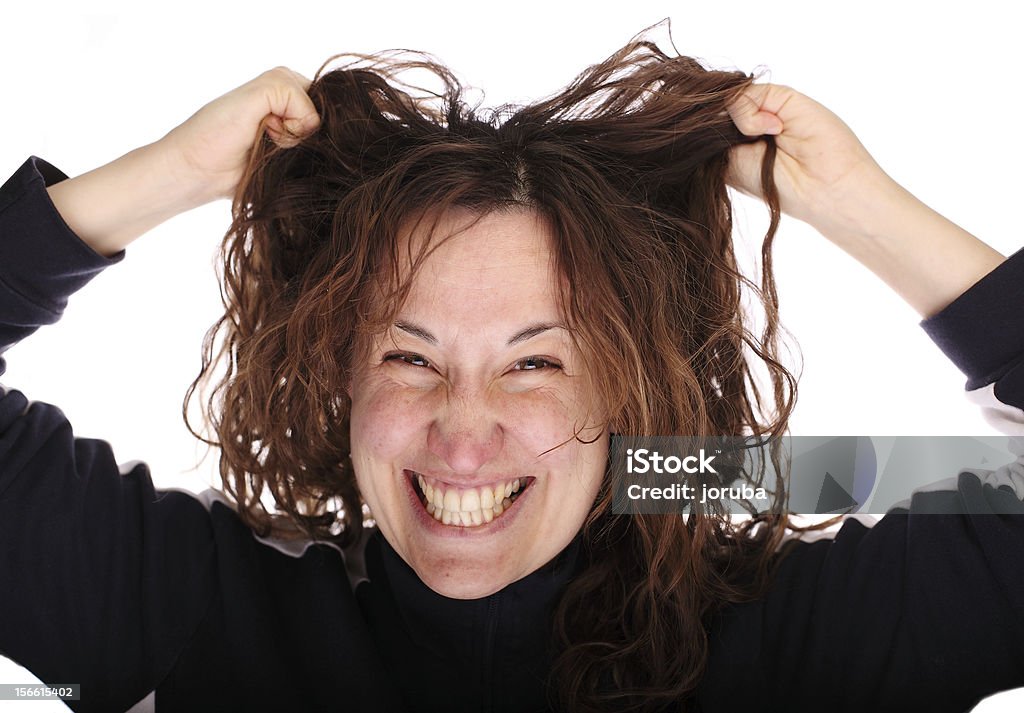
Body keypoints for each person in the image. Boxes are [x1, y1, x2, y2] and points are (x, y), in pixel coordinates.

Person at [1, 29, 1022, 713]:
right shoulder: (182, 604)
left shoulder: (800, 641)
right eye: (409, 354)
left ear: (629, 391)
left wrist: (859, 204)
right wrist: (165, 177)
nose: (461, 429)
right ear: (341, 378)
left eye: (535, 361)